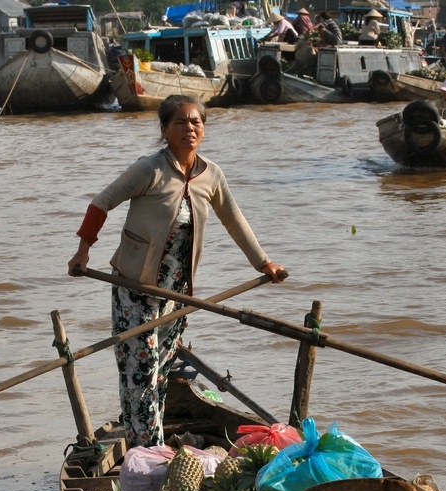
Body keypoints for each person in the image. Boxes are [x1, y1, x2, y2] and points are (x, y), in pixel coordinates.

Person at [67, 94, 285, 449]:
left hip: (178, 292)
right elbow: (101, 203)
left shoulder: (210, 174)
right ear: (165, 130)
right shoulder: (149, 169)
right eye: (180, 122)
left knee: (161, 369)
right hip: (135, 288)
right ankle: (148, 449)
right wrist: (82, 252)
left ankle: (147, 439)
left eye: (196, 121)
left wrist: (263, 263)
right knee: (142, 371)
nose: (190, 128)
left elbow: (234, 219)